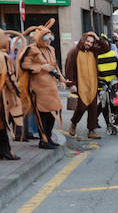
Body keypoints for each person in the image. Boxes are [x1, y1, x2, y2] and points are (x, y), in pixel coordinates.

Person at [17, 19, 67, 149]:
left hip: (51, 87)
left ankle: (48, 138)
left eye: (50, 38)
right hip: (38, 88)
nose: (48, 41)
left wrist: (61, 79)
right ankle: (43, 140)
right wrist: (41, 67)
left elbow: (55, 66)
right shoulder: (31, 49)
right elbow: (24, 65)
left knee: (52, 113)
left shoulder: (51, 49)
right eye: (46, 38)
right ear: (39, 38)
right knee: (42, 115)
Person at [64, 32, 106, 140]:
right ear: (83, 40)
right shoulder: (74, 52)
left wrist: (97, 38)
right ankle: (73, 123)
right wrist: (71, 84)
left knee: (93, 108)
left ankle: (91, 130)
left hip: (92, 85)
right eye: (88, 41)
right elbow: (68, 69)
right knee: (81, 107)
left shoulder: (93, 51)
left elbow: (106, 48)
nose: (89, 44)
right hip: (80, 85)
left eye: (92, 42)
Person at [0, 29, 23, 159]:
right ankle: (6, 152)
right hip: (2, 97)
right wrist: (17, 92)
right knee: (3, 125)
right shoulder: (3, 57)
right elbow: (8, 77)